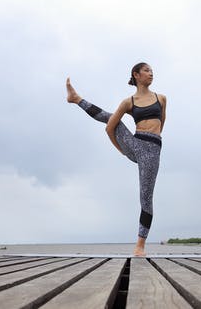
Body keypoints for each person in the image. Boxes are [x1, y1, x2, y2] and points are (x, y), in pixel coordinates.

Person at [66, 62, 166, 256]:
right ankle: (76, 98)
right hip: (135, 144)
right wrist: (122, 150)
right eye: (147, 70)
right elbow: (109, 128)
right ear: (136, 75)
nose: (151, 73)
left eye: (152, 71)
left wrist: (153, 144)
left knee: (146, 197)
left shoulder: (161, 99)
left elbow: (161, 125)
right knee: (112, 118)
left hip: (153, 150)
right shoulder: (128, 102)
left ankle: (140, 246)